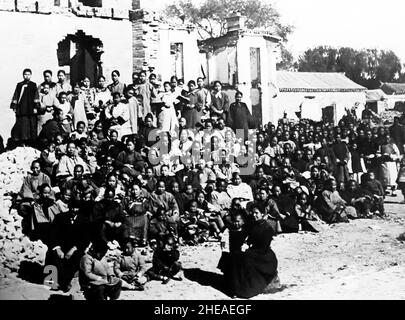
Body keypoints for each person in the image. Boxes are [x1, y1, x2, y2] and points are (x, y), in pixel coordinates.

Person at [222, 206, 278, 299]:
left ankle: (247, 290)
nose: (254, 215)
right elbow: (242, 229)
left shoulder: (267, 228)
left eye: (257, 213)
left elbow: (264, 247)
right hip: (254, 252)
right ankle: (236, 287)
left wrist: (248, 249)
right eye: (253, 213)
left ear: (263, 214)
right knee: (235, 255)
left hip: (264, 256)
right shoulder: (253, 224)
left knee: (242, 257)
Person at [46, 201, 91, 292]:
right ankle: (51, 282)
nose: (74, 210)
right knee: (52, 254)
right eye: (73, 208)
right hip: (61, 247)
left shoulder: (84, 220)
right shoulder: (60, 217)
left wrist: (73, 249)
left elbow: (85, 239)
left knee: (77, 258)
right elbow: (52, 234)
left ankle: (66, 282)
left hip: (76, 248)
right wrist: (58, 248)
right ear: (69, 207)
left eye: (77, 208)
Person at [10, 68, 41, 146]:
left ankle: (31, 142)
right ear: (23, 75)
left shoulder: (33, 85)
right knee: (22, 125)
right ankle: (21, 142)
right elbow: (16, 95)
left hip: (30, 109)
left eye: (28, 74)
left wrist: (35, 107)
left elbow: (36, 96)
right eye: (25, 74)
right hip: (21, 110)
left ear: (31, 75)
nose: (27, 76)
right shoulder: (19, 85)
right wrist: (14, 107)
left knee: (31, 125)